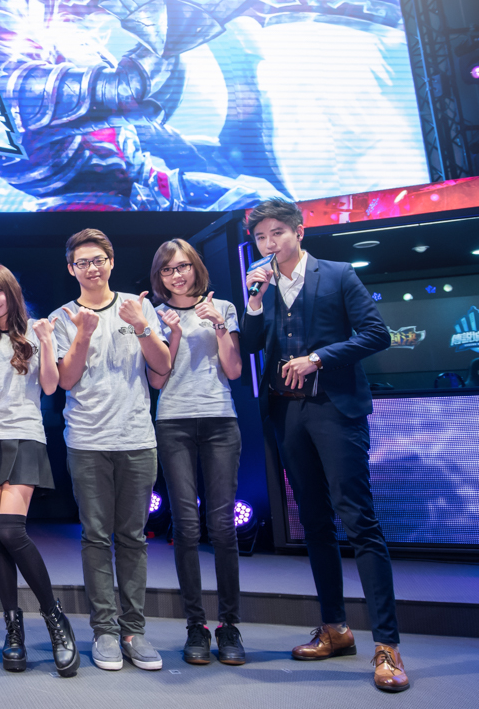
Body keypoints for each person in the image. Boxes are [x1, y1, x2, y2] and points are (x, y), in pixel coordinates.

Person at [241, 198, 406, 692]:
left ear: (299, 231)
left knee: (358, 520)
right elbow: (251, 346)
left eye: (277, 233)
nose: (269, 243)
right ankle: (335, 628)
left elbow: (377, 335)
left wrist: (318, 357)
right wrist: (253, 302)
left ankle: (387, 645)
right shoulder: (263, 285)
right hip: (286, 413)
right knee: (313, 521)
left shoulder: (337, 275)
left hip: (335, 408)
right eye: (261, 237)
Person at [49, 228, 170, 672]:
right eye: (82, 262)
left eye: (98, 260)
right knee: (96, 537)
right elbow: (65, 380)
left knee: (133, 538)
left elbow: (162, 367)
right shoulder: (62, 317)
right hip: (87, 441)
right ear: (71, 269)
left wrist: (140, 325)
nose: (92, 268)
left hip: (136, 437)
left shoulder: (138, 307)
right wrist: (82, 334)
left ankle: (134, 630)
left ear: (111, 262)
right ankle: (104, 630)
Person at [0, 262, 78, 676]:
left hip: (25, 434)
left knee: (11, 531)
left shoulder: (37, 331)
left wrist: (47, 340)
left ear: (11, 291)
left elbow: (50, 386)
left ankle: (54, 617)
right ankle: (13, 629)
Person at [147, 239, 246, 666]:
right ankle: (195, 625)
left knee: (222, 527)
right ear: (160, 276)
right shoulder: (154, 313)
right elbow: (157, 378)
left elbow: (234, 370)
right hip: (174, 422)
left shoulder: (222, 307)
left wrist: (219, 326)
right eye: (168, 270)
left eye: (183, 266)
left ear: (196, 268)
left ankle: (229, 625)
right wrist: (170, 332)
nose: (177, 275)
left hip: (220, 420)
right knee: (186, 527)